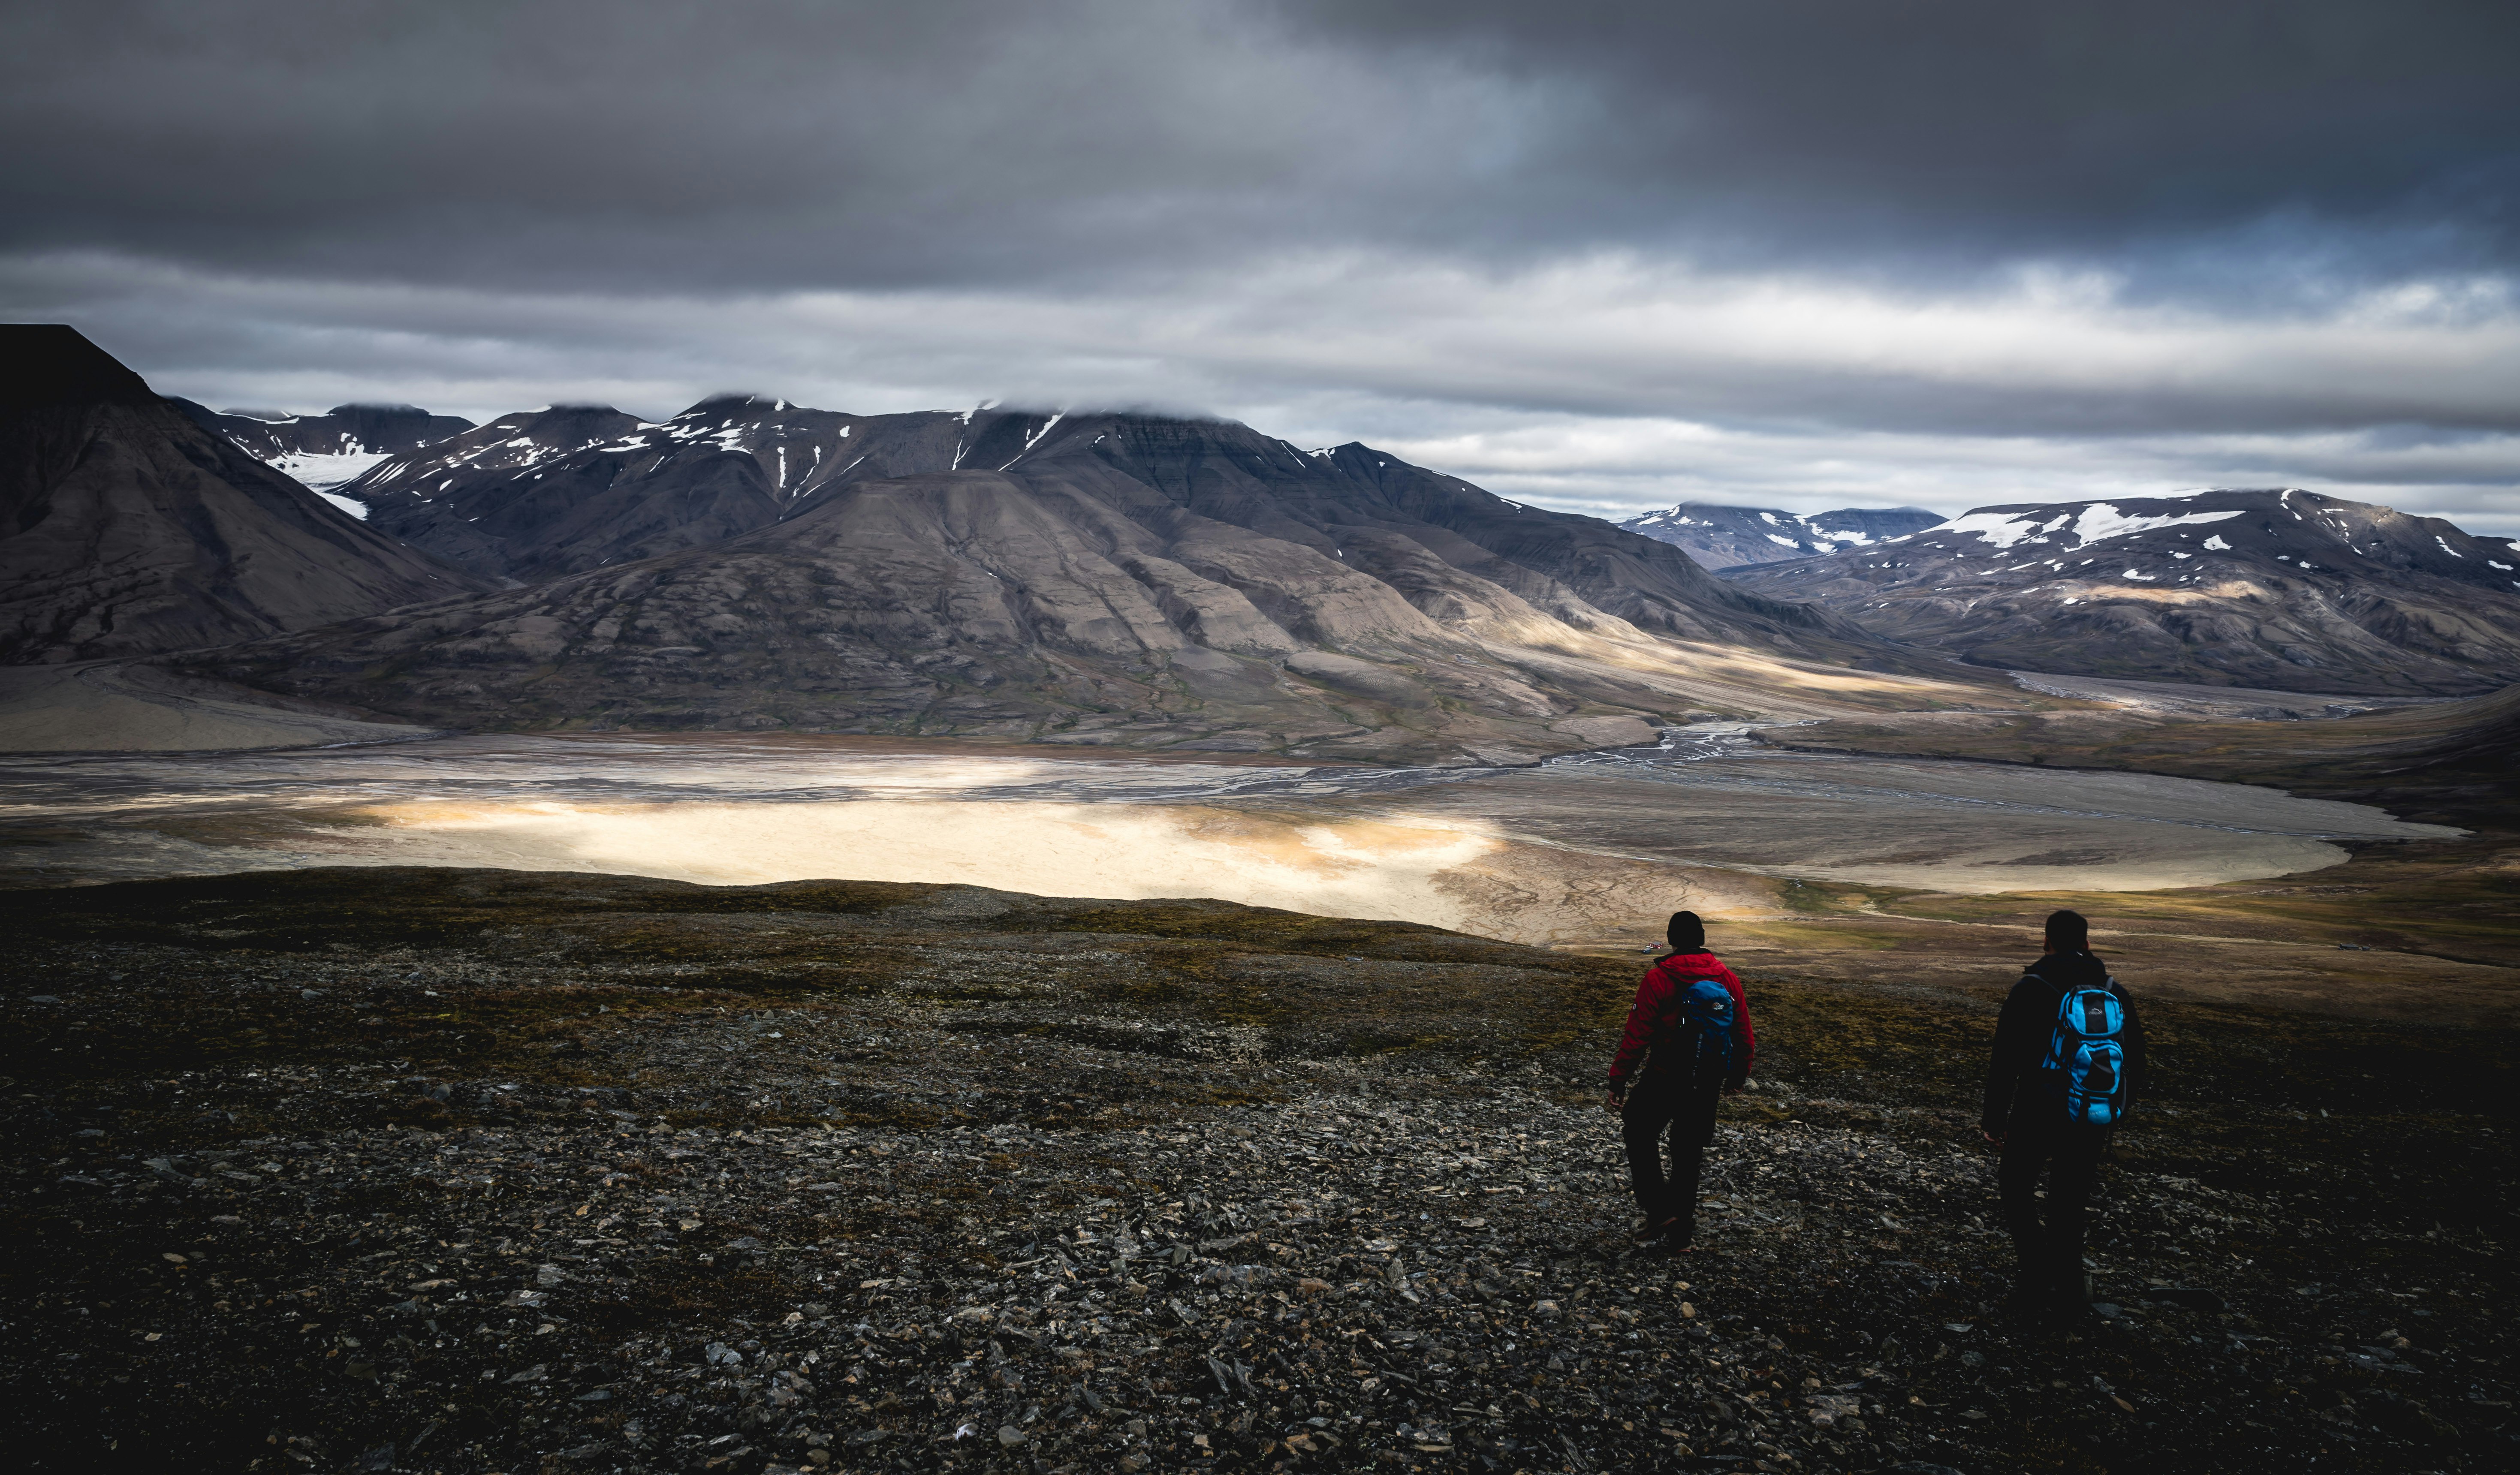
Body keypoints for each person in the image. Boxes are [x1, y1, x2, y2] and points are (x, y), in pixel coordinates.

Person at [1980, 908, 2148, 1311]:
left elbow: (2005, 1060)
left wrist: (1994, 1120)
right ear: (2088, 945)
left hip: (2036, 1109)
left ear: (2046, 942)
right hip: (2091, 1112)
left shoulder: (2030, 987)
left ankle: (2036, 1278)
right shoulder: (2112, 990)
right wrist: (2113, 1111)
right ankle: (2070, 1293)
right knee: (2069, 1202)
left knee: (2015, 1187)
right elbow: (2136, 1062)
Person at [1606, 910, 1754, 1249]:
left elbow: (1638, 1035)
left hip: (1664, 1076)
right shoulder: (1727, 979)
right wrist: (1738, 1075)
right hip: (1706, 1080)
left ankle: (1658, 1210)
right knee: (1687, 1153)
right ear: (1702, 938)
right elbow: (1743, 1032)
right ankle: (1681, 1235)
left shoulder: (1659, 978)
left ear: (1672, 940)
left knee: (1638, 1128)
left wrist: (1619, 1080)